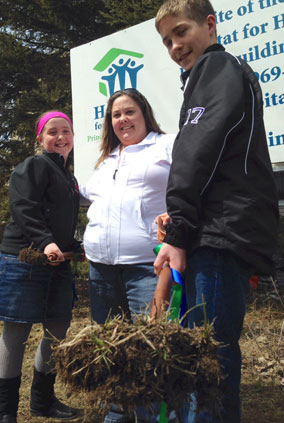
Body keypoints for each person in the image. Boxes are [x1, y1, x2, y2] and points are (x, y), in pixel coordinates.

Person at [153, 1, 279, 422]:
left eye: (181, 32)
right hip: (216, 231)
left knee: (209, 363)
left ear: (210, 25)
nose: (174, 46)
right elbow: (215, 159)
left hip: (220, 236)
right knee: (203, 359)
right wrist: (183, 223)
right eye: (167, 40)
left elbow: (197, 151)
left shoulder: (217, 67)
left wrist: (179, 228)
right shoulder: (211, 77)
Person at [79, 88, 176, 423]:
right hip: (101, 269)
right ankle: (118, 413)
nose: (122, 119)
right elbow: (85, 197)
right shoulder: (107, 160)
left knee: (149, 349)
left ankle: (149, 416)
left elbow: (190, 190)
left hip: (146, 268)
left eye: (129, 112)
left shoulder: (166, 146)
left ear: (145, 114)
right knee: (111, 347)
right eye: (116, 115)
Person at [0, 111, 82, 423]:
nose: (61, 137)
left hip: (57, 260)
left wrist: (73, 245)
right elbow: (23, 208)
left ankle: (42, 402)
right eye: (52, 132)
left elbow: (62, 218)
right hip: (24, 258)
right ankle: (5, 414)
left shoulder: (68, 175)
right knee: (16, 332)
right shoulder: (34, 165)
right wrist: (46, 242)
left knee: (57, 329)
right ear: (40, 139)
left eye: (66, 131)